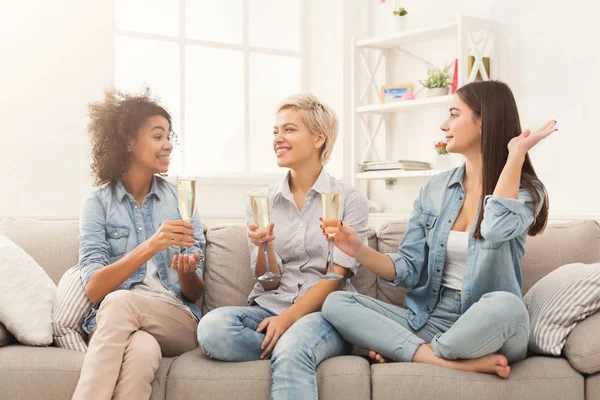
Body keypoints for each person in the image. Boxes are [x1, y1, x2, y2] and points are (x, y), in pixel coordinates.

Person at [321, 80, 556, 379]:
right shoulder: (434, 189)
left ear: (484, 121)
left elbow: (495, 228)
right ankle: (444, 359)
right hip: (431, 320)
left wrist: (515, 155)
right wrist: (357, 250)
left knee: (508, 306)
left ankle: (414, 352)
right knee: (337, 302)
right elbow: (408, 269)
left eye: (455, 114)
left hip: (487, 322)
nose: (444, 125)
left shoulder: (526, 191)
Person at [197, 93, 370, 399]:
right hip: (269, 306)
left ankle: (294, 348)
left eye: (289, 130)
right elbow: (268, 281)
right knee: (212, 329)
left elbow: (336, 276)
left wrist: (287, 321)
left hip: (325, 314)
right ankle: (291, 349)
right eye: (275, 131)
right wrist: (265, 248)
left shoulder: (349, 199)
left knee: (294, 345)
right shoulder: (262, 201)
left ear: (319, 138)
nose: (278, 138)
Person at [72, 89, 205, 399]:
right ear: (129, 142)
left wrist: (186, 270)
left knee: (120, 303)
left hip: (175, 317)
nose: (168, 145)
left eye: (169, 137)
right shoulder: (97, 203)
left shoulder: (180, 200)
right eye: (158, 136)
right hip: (119, 320)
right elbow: (93, 288)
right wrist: (152, 245)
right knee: (142, 353)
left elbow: (195, 292)